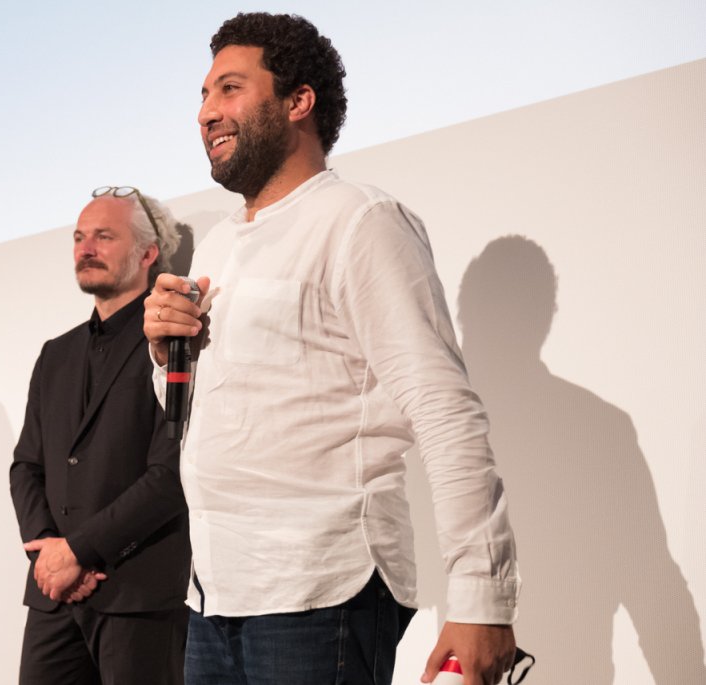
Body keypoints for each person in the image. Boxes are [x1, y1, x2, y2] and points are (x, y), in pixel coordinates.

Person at [142, 13, 521, 685]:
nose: (206, 112)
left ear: (298, 101)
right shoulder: (219, 243)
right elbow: (218, 415)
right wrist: (165, 350)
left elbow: (443, 408)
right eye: (201, 96)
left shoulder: (360, 221)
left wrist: (481, 598)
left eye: (228, 89)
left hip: (322, 591)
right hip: (215, 594)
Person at [10, 186, 190, 684]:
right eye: (79, 237)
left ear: (148, 253)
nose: (85, 249)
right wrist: (49, 549)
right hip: (53, 595)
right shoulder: (55, 354)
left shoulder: (175, 343)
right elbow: (27, 464)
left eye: (104, 236)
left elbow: (171, 474)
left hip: (139, 595)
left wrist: (80, 552)